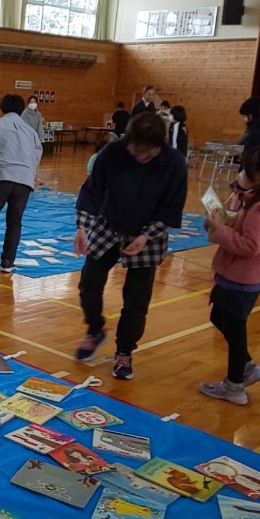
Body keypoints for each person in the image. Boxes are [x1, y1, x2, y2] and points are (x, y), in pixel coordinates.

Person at [74, 112, 188, 380]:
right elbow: (92, 191)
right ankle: (95, 330)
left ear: (160, 146)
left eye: (149, 152)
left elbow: (171, 209)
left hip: (148, 234)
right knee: (89, 283)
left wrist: (146, 236)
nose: (142, 156)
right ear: (129, 141)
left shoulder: (173, 164)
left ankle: (124, 351)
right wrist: (82, 227)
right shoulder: (113, 153)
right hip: (108, 224)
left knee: (136, 299)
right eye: (137, 150)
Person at [198, 145, 260, 405]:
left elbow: (251, 245)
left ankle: (234, 385)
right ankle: (247, 366)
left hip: (242, 279)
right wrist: (224, 219)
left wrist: (219, 229)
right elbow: (245, 228)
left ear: (259, 175)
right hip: (235, 276)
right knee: (219, 315)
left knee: (236, 333)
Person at [0, 94, 42, 273]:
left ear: (2, 108)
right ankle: (8, 261)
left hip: (1, 176)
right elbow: (36, 156)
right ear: (22, 110)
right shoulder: (30, 131)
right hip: (24, 180)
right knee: (15, 221)